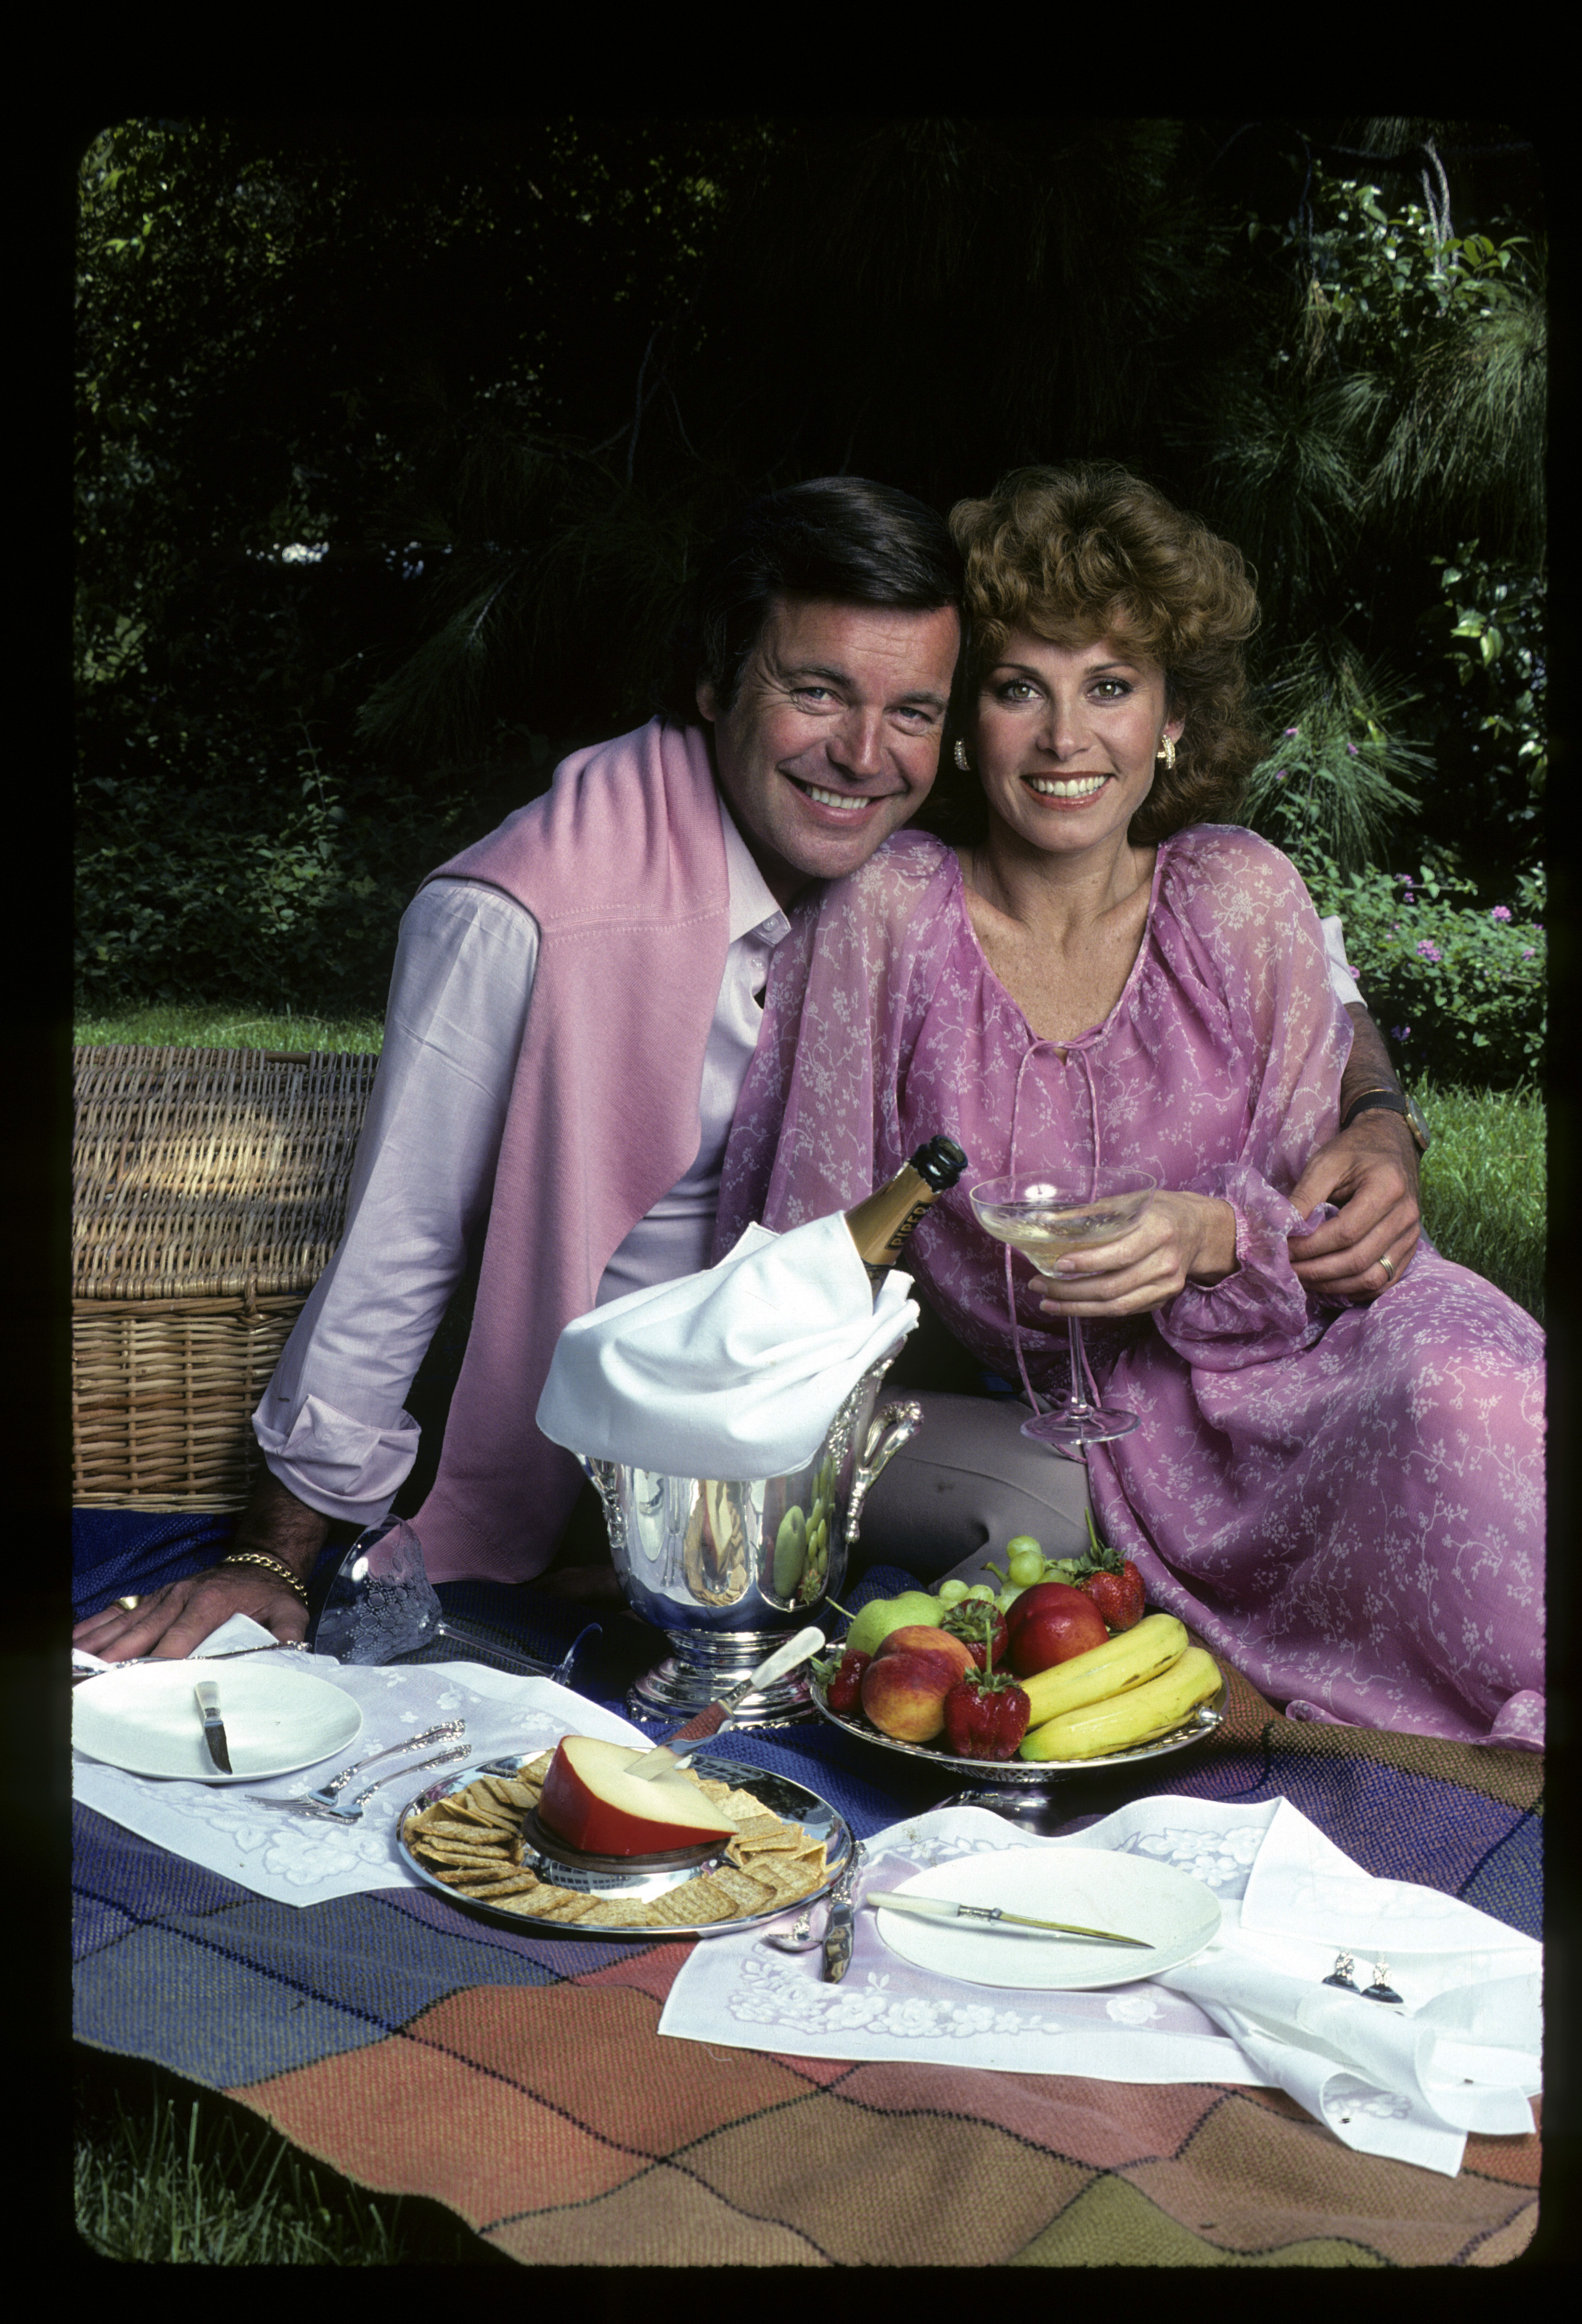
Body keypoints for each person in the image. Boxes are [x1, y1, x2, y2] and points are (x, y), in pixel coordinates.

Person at [73, 474, 1423, 1665]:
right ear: (718, 681)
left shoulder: (910, 837)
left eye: (913, 709)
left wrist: (1375, 1108)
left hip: (894, 1383)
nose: (863, 752)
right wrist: (272, 1550)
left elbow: (1248, 932)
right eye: (816, 690)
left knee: (1174, 1490)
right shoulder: (525, 913)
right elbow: (398, 1246)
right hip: (656, 1431)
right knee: (1083, 1514)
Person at [714, 465, 1542, 1749]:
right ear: (963, 722)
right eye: (1017, 688)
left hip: (1317, 1363)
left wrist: (1218, 1234)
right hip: (1066, 1422)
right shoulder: (891, 916)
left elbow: (1310, 1255)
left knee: (1475, 1397)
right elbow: (802, 1253)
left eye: (1110, 686)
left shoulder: (1238, 897)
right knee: (1045, 1518)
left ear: (1169, 720)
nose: (1064, 738)